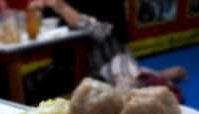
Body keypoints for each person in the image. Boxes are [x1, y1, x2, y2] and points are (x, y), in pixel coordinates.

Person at [30, 0, 187, 97]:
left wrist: (64, 9)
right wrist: (36, 9)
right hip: (68, 63)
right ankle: (153, 74)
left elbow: (102, 31)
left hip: (108, 59)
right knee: (29, 89)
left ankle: (149, 76)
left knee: (128, 93)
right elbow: (47, 29)